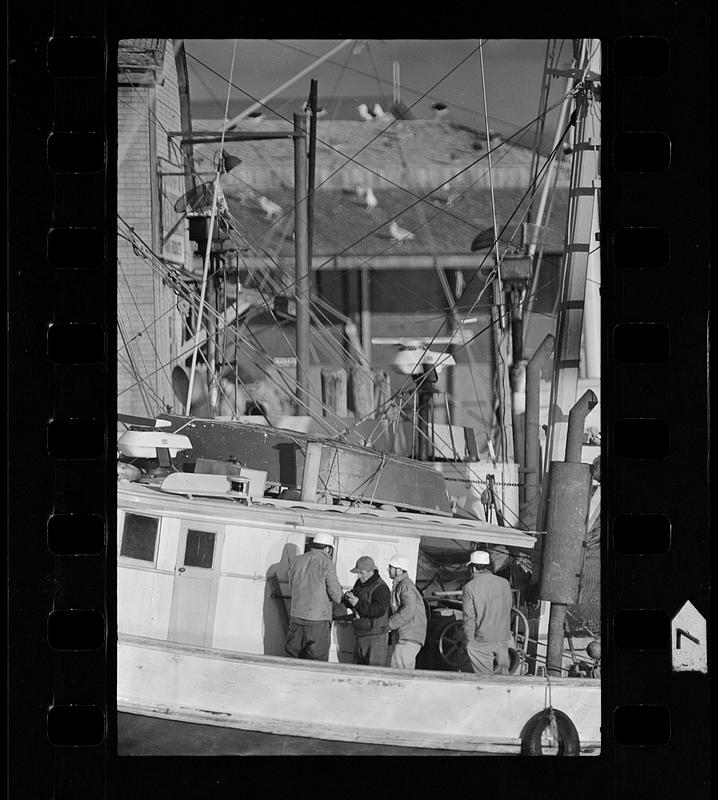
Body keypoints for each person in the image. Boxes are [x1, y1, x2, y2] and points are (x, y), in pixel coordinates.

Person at [285, 532, 344, 661]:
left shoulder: (296, 561)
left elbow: (291, 586)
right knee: (316, 662)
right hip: (318, 620)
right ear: (328, 549)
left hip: (296, 616)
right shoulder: (327, 563)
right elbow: (336, 595)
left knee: (292, 659)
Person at [461, 550, 514, 675]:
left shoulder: (470, 587)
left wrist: (468, 640)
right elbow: (508, 607)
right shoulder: (504, 583)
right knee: (503, 678)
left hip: (483, 639)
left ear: (473, 568)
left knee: (484, 678)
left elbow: (469, 618)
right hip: (503, 637)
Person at [342, 556, 391, 667]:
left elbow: (378, 611)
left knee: (373, 672)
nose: (359, 576)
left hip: (375, 637)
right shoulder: (359, 583)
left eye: (362, 573)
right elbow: (355, 602)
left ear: (371, 572)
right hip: (361, 634)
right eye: (357, 573)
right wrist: (347, 599)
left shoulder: (381, 588)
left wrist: (357, 603)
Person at [387, 554, 427, 669]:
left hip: (407, 636)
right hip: (408, 635)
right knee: (404, 671)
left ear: (399, 570)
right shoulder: (403, 585)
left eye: (391, 567)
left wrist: (390, 624)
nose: (388, 569)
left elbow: (409, 610)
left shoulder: (405, 586)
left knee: (398, 672)